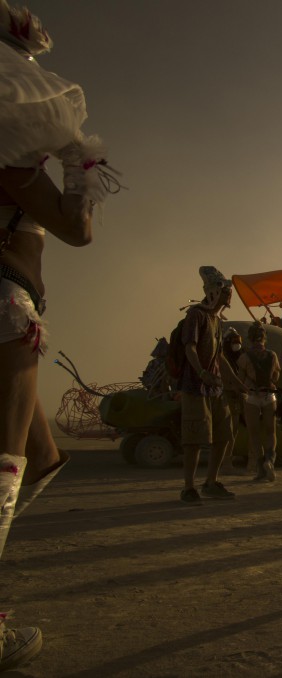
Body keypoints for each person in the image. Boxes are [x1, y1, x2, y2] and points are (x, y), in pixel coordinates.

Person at [0, 2, 116, 668]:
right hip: (6, 308)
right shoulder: (12, 165)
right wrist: (82, 166)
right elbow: (77, 231)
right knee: (8, 466)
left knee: (42, 457)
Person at [178, 267, 244, 504]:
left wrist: (236, 383)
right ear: (213, 291)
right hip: (195, 387)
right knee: (194, 440)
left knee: (224, 435)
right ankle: (188, 487)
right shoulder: (197, 315)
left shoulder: (217, 320)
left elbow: (220, 357)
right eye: (225, 291)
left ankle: (211, 482)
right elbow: (190, 347)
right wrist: (202, 372)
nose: (229, 296)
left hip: (216, 389)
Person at [236, 322, 281, 482]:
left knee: (254, 433)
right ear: (264, 338)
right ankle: (270, 460)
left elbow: (240, 380)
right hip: (269, 396)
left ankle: (261, 468)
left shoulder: (244, 357)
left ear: (249, 338)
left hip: (252, 396)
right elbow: (275, 377)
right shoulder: (272, 355)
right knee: (271, 431)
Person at [219, 327, 247, 476]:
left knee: (235, 430)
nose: (237, 344)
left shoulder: (240, 356)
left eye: (238, 341)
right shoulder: (223, 358)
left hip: (238, 396)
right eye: (234, 341)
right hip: (227, 397)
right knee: (229, 430)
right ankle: (226, 462)